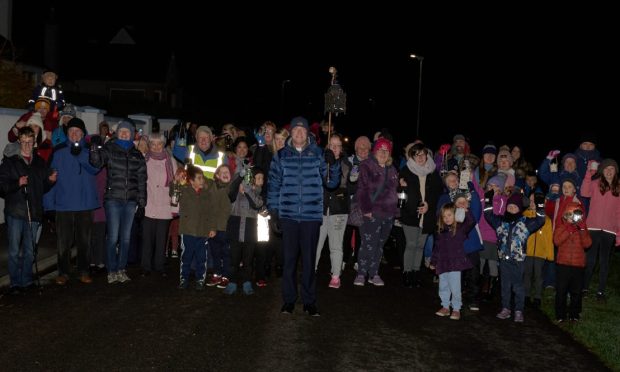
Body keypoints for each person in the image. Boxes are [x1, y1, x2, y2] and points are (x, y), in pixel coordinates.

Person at [268, 116, 340, 316]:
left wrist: (332, 164)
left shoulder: (318, 154)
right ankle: (289, 300)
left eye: (303, 130)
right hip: (289, 216)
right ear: (291, 133)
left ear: (308, 133)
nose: (299, 133)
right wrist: (274, 212)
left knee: (309, 262)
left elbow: (331, 183)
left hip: (310, 216)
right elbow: (273, 185)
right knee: (289, 261)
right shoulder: (281, 156)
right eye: (296, 130)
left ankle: (309, 301)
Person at [0, 127, 57, 294]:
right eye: (23, 142)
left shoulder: (39, 162)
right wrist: (17, 184)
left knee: (30, 250)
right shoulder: (10, 161)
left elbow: (41, 188)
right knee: (13, 250)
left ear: (34, 143)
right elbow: (1, 187)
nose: (26, 145)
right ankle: (15, 283)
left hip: (34, 211)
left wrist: (50, 181)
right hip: (16, 211)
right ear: (19, 141)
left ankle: (26, 280)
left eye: (30, 142)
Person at [90, 119, 147, 284]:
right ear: (117, 133)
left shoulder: (137, 155)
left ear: (131, 134)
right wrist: (94, 148)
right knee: (113, 236)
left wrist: (142, 202)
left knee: (126, 238)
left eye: (127, 131)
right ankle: (112, 270)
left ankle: (121, 269)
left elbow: (142, 180)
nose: (124, 133)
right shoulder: (110, 149)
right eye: (121, 130)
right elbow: (96, 162)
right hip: (113, 199)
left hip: (130, 201)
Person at [44, 118, 100, 285]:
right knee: (64, 241)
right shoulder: (58, 151)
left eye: (78, 132)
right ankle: (63, 272)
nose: (74, 134)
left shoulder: (90, 150)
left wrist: (81, 153)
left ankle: (84, 270)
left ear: (83, 134)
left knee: (84, 241)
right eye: (71, 131)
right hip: (64, 203)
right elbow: (51, 179)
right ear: (67, 133)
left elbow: (96, 168)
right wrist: (48, 204)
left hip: (85, 203)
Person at [484, 191, 545, 322]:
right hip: (504, 260)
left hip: (518, 261)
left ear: (520, 208)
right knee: (505, 285)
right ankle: (506, 308)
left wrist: (540, 206)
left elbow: (540, 220)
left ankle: (519, 310)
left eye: (515, 206)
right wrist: (488, 201)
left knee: (518, 286)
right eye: (509, 206)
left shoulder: (526, 223)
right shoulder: (500, 221)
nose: (511, 208)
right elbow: (488, 215)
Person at [353, 138, 399, 287]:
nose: (383, 153)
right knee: (368, 244)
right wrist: (366, 210)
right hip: (371, 212)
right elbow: (362, 189)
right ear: (375, 151)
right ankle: (361, 272)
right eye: (380, 150)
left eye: (386, 151)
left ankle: (374, 273)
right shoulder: (367, 165)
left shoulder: (392, 169)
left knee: (379, 245)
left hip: (388, 214)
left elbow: (394, 191)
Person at [314, 133, 351, 289]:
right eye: (332, 145)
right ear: (327, 147)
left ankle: (335, 275)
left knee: (336, 244)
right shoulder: (319, 162)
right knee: (316, 243)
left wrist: (333, 164)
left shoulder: (346, 164)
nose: (335, 148)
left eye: (338, 145)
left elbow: (343, 184)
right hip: (319, 209)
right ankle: (311, 270)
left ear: (341, 149)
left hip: (338, 210)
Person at [580, 158, 620, 301]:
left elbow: (619, 212)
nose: (609, 171)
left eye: (612, 169)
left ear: (615, 172)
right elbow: (584, 192)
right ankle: (584, 287)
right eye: (606, 169)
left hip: (610, 231)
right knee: (590, 261)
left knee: (604, 262)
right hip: (593, 228)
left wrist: (618, 234)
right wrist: (589, 172)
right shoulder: (596, 184)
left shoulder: (618, 188)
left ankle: (600, 291)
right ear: (602, 171)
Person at [141, 133, 178, 277]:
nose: (156, 147)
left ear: (163, 145)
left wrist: (175, 206)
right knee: (147, 238)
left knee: (162, 238)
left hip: (164, 205)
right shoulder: (144, 160)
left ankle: (160, 265)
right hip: (148, 204)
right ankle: (145, 266)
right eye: (153, 144)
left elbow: (175, 185)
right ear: (149, 145)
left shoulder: (171, 161)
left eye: (159, 144)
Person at [430, 203, 475, 320]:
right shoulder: (441, 231)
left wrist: (466, 211)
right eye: (444, 216)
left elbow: (471, 222)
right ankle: (445, 306)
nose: (447, 218)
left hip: (455, 264)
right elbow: (437, 248)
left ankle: (456, 308)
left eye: (449, 215)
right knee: (443, 286)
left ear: (455, 215)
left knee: (455, 287)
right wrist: (433, 262)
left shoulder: (460, 229)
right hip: (442, 263)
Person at [553, 202, 592, 322]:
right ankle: (560, 314)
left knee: (576, 291)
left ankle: (574, 314)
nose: (572, 218)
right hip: (563, 264)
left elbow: (587, 244)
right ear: (565, 216)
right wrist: (568, 230)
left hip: (578, 265)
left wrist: (581, 230)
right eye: (570, 215)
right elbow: (557, 241)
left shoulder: (583, 228)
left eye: (575, 215)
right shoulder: (561, 227)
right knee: (561, 290)